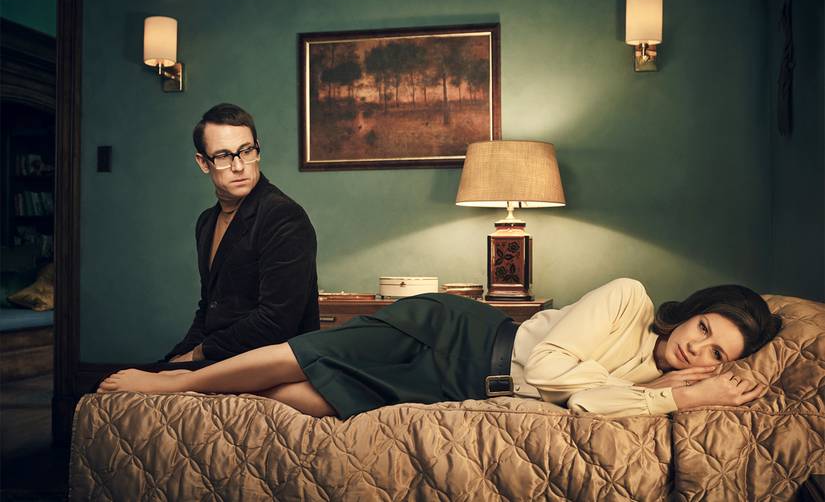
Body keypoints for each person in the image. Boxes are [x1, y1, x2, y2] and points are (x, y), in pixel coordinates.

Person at [97, 278, 781, 419]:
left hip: (463, 385)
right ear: (691, 312)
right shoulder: (629, 299)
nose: (699, 354)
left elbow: (581, 406)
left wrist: (664, 394)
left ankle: (204, 401)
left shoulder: (657, 383)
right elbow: (547, 371)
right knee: (308, 353)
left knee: (314, 400)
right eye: (704, 330)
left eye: (718, 356)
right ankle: (173, 384)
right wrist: (657, 395)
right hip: (461, 331)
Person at [162, 103, 320, 366]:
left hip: (270, 365)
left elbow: (275, 322)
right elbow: (210, 309)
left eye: (246, 151)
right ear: (203, 162)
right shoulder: (206, 222)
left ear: (257, 149)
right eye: (223, 156)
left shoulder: (283, 216)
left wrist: (198, 355)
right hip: (220, 358)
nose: (238, 166)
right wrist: (174, 360)